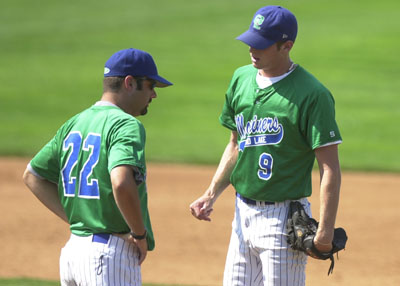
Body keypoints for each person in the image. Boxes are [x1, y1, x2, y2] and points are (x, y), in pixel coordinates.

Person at [190, 5, 342, 286]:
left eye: (260, 44)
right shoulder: (241, 78)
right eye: (250, 40)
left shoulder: (312, 94)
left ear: (286, 46)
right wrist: (211, 194)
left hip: (283, 220)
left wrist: (326, 230)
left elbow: (329, 167)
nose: (251, 49)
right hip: (241, 215)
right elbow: (236, 143)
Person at [23, 48, 172, 286]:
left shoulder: (74, 122)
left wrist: (80, 220)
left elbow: (33, 176)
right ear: (129, 83)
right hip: (107, 258)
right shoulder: (125, 124)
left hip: (73, 252)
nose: (153, 94)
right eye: (150, 85)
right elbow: (121, 182)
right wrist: (139, 234)